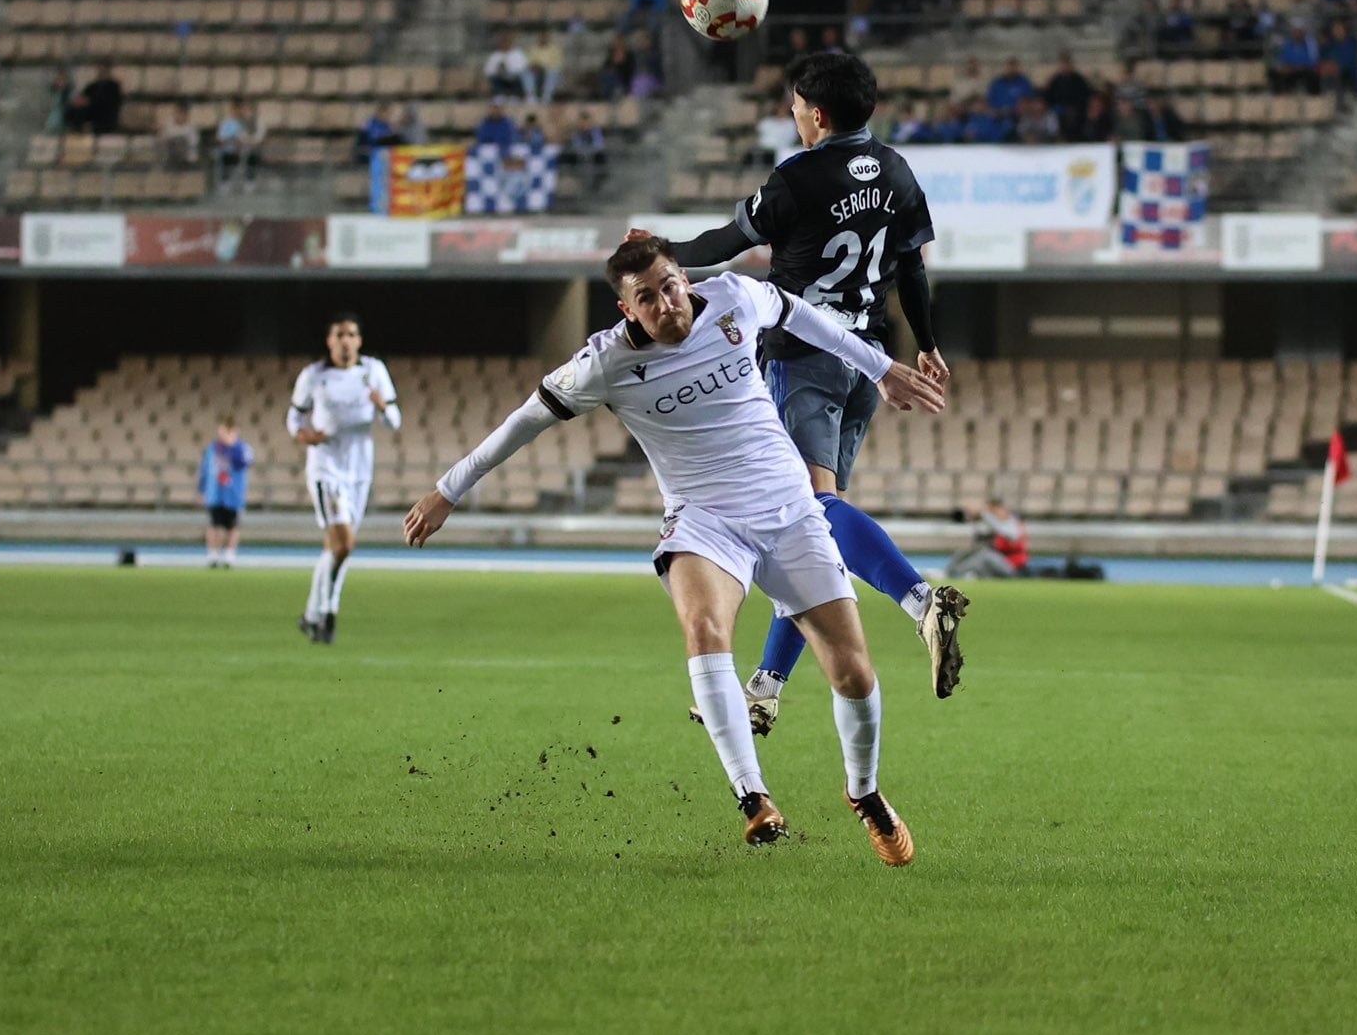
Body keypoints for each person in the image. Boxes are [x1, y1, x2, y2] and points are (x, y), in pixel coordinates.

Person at [403, 236, 945, 861]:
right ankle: (754, 798)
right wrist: (448, 490)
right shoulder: (601, 366)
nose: (666, 305)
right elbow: (522, 423)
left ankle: (865, 794)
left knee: (854, 674)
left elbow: (801, 315)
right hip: (704, 520)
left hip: (791, 511)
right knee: (704, 627)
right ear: (626, 311)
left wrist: (881, 368)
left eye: (669, 287)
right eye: (646, 299)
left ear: (684, 279)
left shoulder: (735, 298)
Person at [647, 51, 967, 735]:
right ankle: (765, 686)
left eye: (794, 105)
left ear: (815, 113)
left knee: (812, 518)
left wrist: (661, 250)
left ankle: (918, 601)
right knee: (806, 530)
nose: (791, 116)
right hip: (866, 363)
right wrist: (928, 341)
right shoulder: (896, 170)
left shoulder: (796, 178)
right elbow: (911, 263)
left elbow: (728, 242)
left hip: (804, 357)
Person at [286, 313, 400, 645]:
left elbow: (394, 420)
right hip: (326, 468)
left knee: (336, 549)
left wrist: (382, 407)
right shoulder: (314, 376)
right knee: (344, 544)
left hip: (359, 471)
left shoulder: (373, 372)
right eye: (340, 334)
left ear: (359, 341)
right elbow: (294, 416)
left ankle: (312, 616)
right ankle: (329, 614)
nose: (346, 339)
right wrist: (303, 435)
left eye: (351, 334)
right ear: (330, 341)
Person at [197, 417, 252, 569]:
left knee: (233, 526)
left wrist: (231, 448)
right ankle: (212, 554)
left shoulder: (242, 448)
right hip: (215, 493)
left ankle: (229, 554)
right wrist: (202, 490)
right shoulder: (213, 448)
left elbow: (244, 463)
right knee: (214, 525)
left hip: (234, 494)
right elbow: (204, 470)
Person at [945, 495, 1028, 579]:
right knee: (964, 552)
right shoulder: (994, 524)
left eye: (994, 510)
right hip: (997, 565)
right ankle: (949, 572)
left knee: (985, 555)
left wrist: (984, 515)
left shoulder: (1012, 523)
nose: (993, 514)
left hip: (1013, 567)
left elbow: (1010, 535)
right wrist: (973, 515)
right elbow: (981, 533)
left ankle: (958, 574)